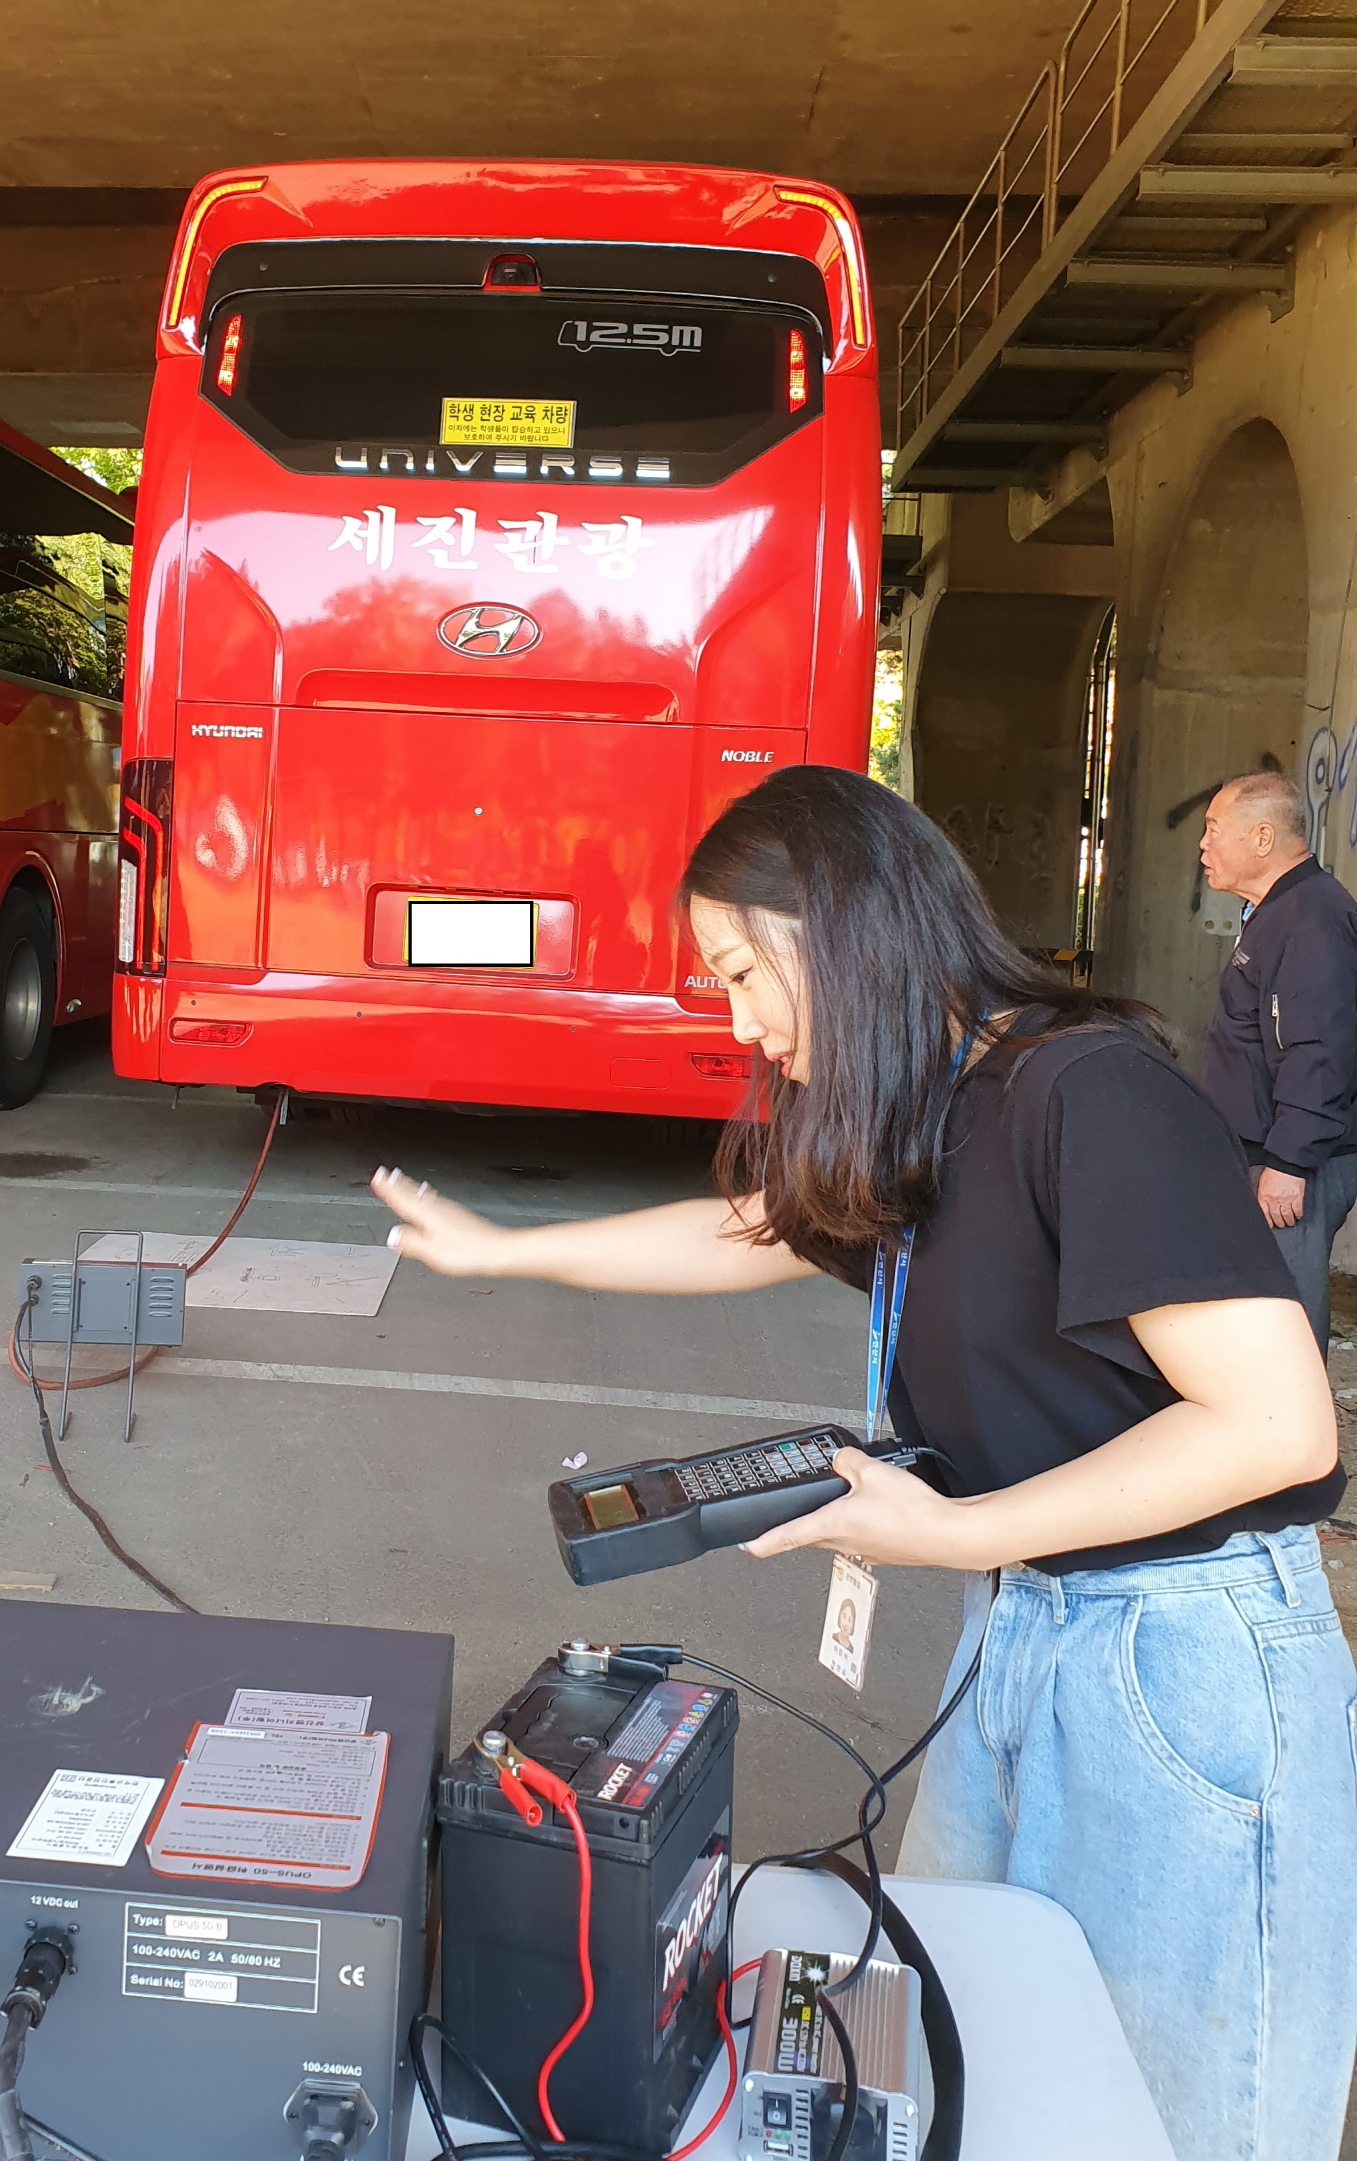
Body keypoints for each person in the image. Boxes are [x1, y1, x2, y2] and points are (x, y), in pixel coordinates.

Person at [375, 766, 1356, 2161]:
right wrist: (506, 1248)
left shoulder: (1090, 1091)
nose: (740, 1022)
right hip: (1020, 1617)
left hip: (1179, 1657)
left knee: (1174, 2117)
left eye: (739, 973)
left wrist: (950, 1532)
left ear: (834, 926)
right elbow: (757, 1228)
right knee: (983, 2052)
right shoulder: (935, 1102)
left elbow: (1277, 1424)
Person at [1199, 770, 1357, 1350]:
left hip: (1291, 1162)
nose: (1204, 844)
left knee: (1284, 1315)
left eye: (1214, 829)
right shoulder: (1279, 911)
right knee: (1259, 1308)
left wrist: (1287, 1165)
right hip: (1267, 1153)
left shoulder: (1312, 919)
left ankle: (1299, 1439)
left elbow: (1320, 1051)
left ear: (1262, 839)